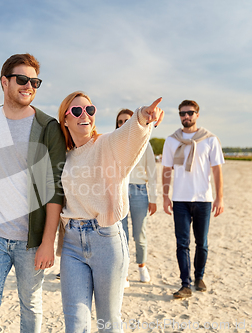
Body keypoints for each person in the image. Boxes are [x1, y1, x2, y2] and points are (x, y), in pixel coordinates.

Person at [0, 53, 66, 332]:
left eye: (34, 81)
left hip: (30, 240)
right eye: (22, 79)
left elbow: (55, 190)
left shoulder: (47, 127)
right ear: (4, 82)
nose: (29, 85)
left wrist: (47, 242)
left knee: (30, 306)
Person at [57, 91, 164, 332]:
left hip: (106, 240)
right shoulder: (64, 156)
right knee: (74, 323)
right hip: (72, 243)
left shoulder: (106, 144)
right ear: (65, 119)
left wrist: (143, 117)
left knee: (108, 323)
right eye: (76, 111)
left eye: (90, 110)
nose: (85, 115)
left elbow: (129, 135)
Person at [161, 99, 224, 299]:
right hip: (179, 199)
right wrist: (165, 196)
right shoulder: (172, 141)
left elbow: (217, 170)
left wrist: (219, 197)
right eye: (182, 113)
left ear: (197, 114)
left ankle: (199, 277)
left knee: (202, 242)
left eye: (189, 113)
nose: (186, 116)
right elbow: (166, 170)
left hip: (203, 199)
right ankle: (185, 284)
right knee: (182, 243)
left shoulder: (210, 140)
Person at [116, 109, 157, 284]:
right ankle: (124, 273)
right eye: (120, 122)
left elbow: (153, 172)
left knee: (139, 234)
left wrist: (153, 198)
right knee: (121, 235)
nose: (124, 124)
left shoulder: (145, 142)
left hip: (140, 192)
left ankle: (142, 266)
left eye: (128, 120)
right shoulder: (114, 144)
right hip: (120, 192)